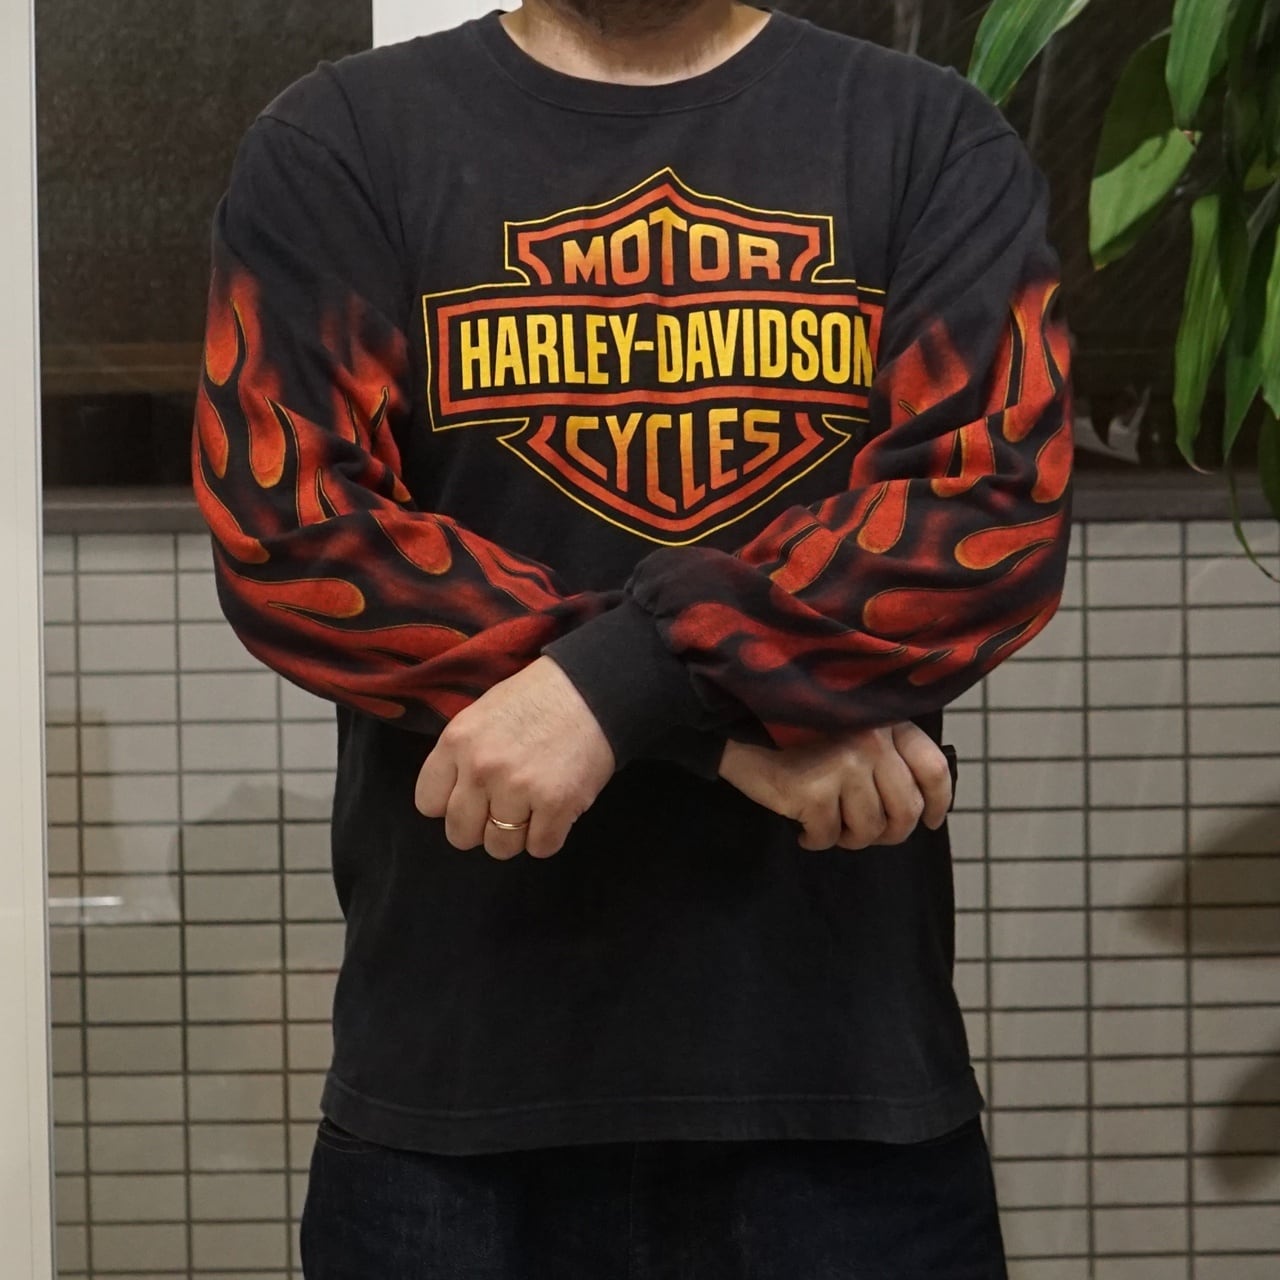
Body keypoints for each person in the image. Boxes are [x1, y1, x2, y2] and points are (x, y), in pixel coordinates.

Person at [192, 1, 1074, 1275]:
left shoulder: (924, 136)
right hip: (454, 1098)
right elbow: (296, 530)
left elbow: (980, 511)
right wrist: (705, 724)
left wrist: (617, 685)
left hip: (843, 1093)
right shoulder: (342, 142)